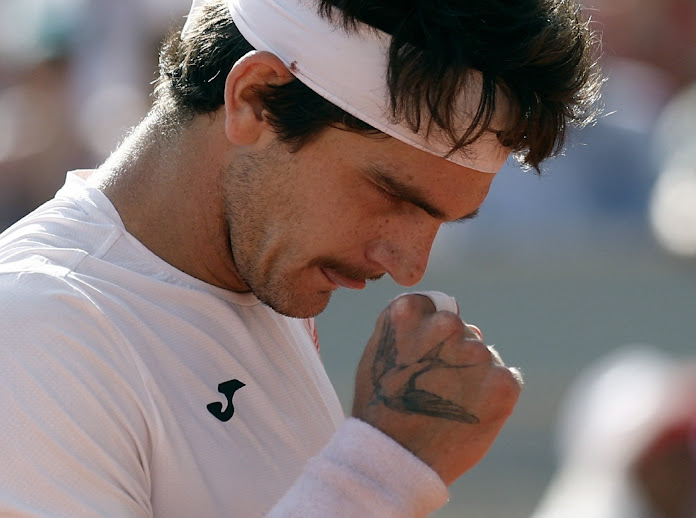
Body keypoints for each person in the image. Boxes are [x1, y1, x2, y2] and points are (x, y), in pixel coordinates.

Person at [0, 0, 601, 515]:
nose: (409, 266)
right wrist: (383, 470)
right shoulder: (35, 324)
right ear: (254, 99)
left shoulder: (267, 282)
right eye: (391, 193)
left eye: (441, 220)